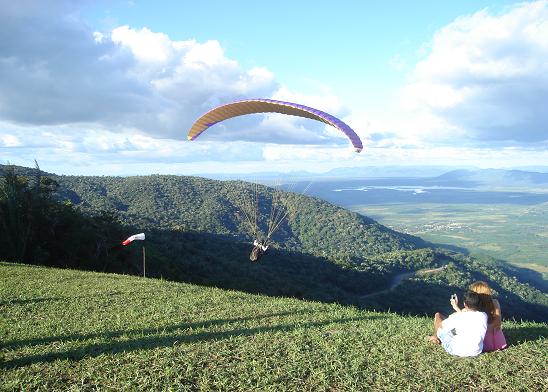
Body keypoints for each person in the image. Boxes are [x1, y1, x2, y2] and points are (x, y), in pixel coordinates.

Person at [451, 281, 507, 352]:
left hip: (481, 345)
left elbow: (463, 319)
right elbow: (498, 322)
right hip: (498, 343)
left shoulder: (470, 308)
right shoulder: (495, 302)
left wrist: (456, 308)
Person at [428, 291, 488, 357]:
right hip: (476, 351)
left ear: (465, 304)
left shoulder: (457, 317)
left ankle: (435, 337)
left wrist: (456, 310)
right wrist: (456, 308)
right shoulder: (484, 316)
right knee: (456, 330)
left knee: (438, 316)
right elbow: (466, 320)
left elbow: (441, 326)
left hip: (456, 350)